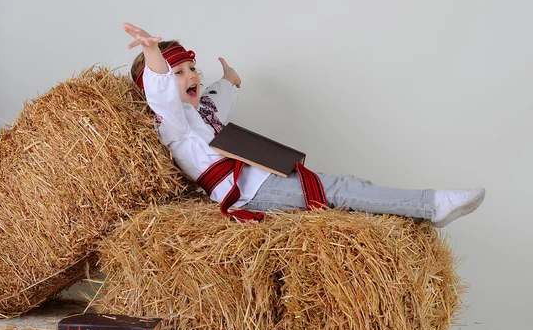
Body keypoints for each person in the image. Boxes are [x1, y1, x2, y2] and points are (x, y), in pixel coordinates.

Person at [124, 23, 485, 227]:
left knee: (350, 186)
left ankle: (419, 213)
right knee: (341, 188)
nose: (190, 76)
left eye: (191, 69)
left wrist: (230, 78)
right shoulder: (173, 123)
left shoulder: (202, 107)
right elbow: (162, 96)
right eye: (178, 73)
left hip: (262, 176)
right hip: (249, 190)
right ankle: (432, 204)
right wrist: (153, 52)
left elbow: (220, 94)